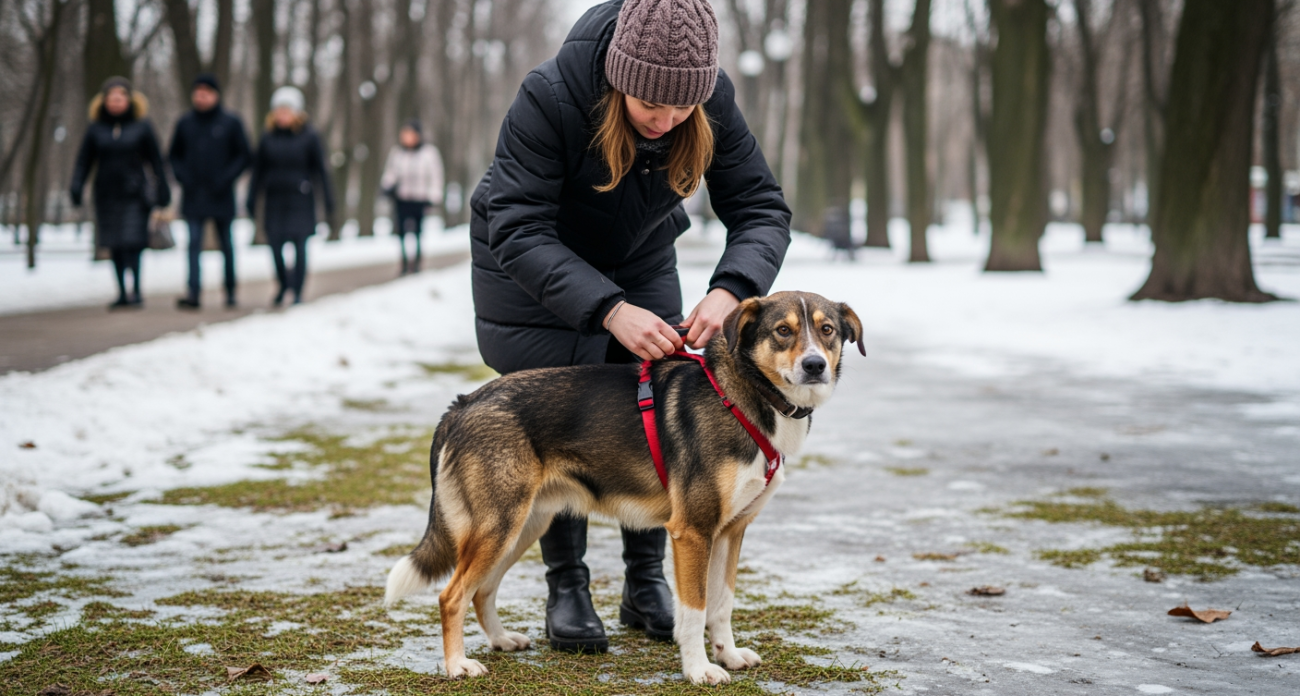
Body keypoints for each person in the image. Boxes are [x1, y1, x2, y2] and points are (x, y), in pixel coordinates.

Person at [470, 0, 791, 652]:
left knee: (656, 399)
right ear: (618, 76)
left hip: (639, 254)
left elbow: (760, 206)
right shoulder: (551, 96)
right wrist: (608, 309)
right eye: (650, 105)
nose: (666, 120)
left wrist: (731, 289)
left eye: (681, 110)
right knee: (562, 411)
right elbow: (515, 223)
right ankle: (568, 587)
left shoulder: (712, 101)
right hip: (530, 266)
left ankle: (647, 583)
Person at [69, 77, 172, 310]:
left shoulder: (142, 126)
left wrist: (162, 188)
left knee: (133, 242)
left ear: (129, 99)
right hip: (106, 194)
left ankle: (136, 289)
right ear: (103, 101)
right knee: (114, 243)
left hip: (135, 193)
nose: (116, 102)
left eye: (120, 97)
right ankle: (121, 292)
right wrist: (76, 186)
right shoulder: (95, 129)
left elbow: (156, 160)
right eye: (111, 98)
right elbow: (83, 161)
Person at [168, 72, 252, 310]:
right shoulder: (185, 123)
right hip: (193, 195)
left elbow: (244, 156)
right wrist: (183, 177)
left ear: (215, 95)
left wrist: (226, 179)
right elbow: (174, 155)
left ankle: (230, 290)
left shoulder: (231, 122)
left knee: (227, 244)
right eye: (198, 93)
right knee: (193, 243)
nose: (201, 98)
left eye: (206, 93)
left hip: (222, 195)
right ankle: (193, 291)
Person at [246, 87, 334, 306]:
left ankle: (297, 289)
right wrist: (251, 197)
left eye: (287, 111)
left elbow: (321, 170)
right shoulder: (267, 138)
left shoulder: (310, 136)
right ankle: (284, 284)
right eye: (279, 110)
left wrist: (329, 199)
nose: (282, 115)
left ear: (296, 112)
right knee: (275, 246)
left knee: (300, 247)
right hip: (274, 199)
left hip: (300, 199)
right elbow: (258, 171)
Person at [380, 120, 444, 275]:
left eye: (410, 134)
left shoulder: (429, 153)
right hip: (401, 197)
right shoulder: (397, 153)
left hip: (420, 198)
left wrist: (434, 196)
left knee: (417, 231)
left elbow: (436, 175)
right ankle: (403, 261)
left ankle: (417, 261)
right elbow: (391, 172)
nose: (407, 138)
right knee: (401, 230)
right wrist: (386, 186)